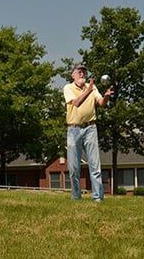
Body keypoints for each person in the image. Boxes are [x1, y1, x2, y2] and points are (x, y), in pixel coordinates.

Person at [63, 63, 113, 202]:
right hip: (73, 129)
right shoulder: (68, 88)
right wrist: (89, 90)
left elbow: (101, 103)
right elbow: (76, 103)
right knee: (73, 168)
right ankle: (76, 196)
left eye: (84, 71)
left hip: (91, 128)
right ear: (72, 74)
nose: (82, 74)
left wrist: (106, 96)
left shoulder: (92, 87)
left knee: (95, 165)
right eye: (79, 71)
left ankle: (98, 198)